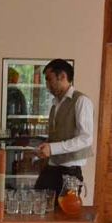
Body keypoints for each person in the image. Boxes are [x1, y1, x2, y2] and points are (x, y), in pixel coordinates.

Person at [34, 59, 94, 197]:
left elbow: (86, 138)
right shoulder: (56, 104)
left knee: (63, 215)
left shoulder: (81, 101)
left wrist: (53, 148)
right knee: (40, 207)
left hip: (70, 172)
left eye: (49, 79)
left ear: (62, 76)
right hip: (52, 167)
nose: (47, 85)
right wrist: (45, 149)